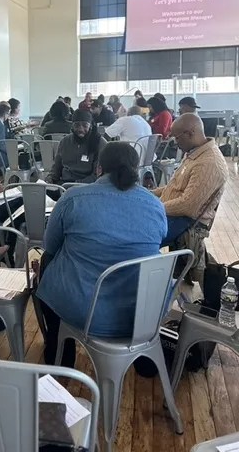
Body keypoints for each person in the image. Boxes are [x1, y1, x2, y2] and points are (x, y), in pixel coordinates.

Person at [37, 142, 166, 366]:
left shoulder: (73, 198)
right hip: (140, 313)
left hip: (81, 310)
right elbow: (159, 240)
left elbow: (50, 246)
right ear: (137, 170)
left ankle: (59, 351)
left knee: (45, 264)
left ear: (98, 168)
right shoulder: (155, 205)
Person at [152, 113, 228, 247]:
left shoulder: (208, 163)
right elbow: (175, 186)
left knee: (136, 238)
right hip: (173, 215)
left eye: (177, 137)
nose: (175, 142)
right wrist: (150, 193)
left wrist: (152, 207)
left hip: (186, 222)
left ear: (191, 133)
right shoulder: (195, 152)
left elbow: (187, 206)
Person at [49, 110, 106, 185]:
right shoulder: (65, 141)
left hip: (87, 186)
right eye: (77, 125)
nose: (80, 129)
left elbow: (97, 175)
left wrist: (75, 185)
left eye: (85, 125)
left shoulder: (99, 143)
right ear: (72, 126)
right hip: (64, 184)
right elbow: (57, 167)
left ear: (90, 126)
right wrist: (51, 178)